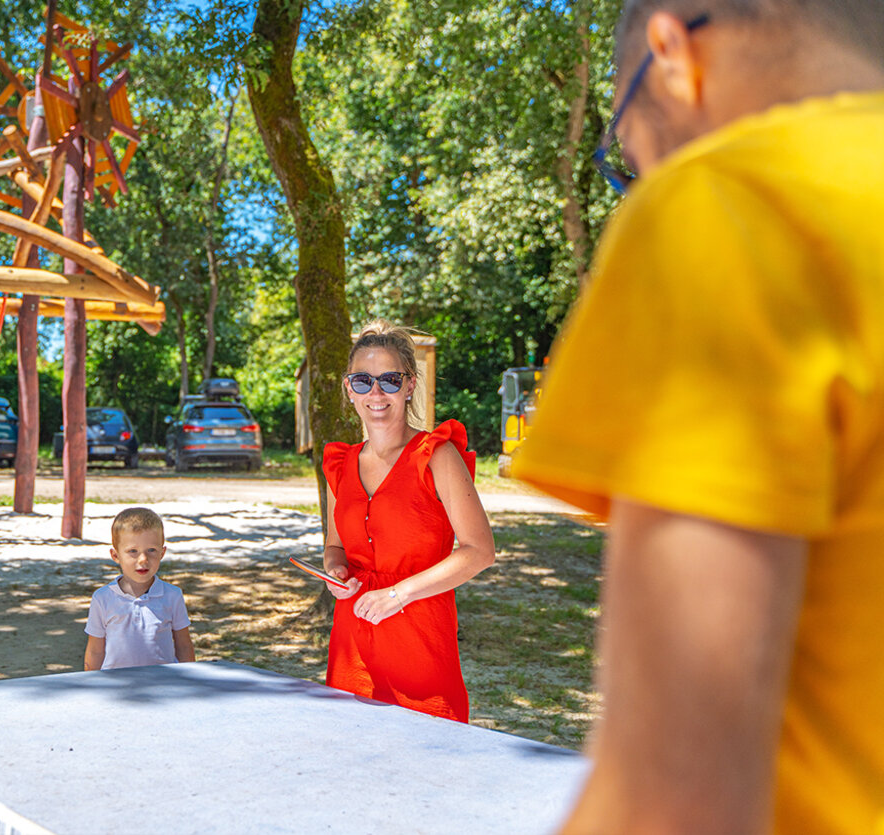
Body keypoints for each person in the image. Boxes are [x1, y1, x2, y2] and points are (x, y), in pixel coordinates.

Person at [511, 2, 884, 832]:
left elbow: (676, 803)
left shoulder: (735, 205)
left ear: (673, 52)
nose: (635, 181)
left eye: (620, 160)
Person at [319, 321, 494, 722]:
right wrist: (334, 572)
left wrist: (397, 595)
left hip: (420, 644)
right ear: (349, 388)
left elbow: (480, 551)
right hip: (352, 647)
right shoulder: (339, 464)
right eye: (362, 381)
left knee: (430, 768)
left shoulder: (436, 455)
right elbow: (335, 545)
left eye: (389, 380)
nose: (375, 393)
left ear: (410, 385)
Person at [84, 507, 195, 671]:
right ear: (116, 556)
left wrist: (190, 681)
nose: (143, 560)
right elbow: (95, 651)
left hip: (163, 683)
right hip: (115, 686)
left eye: (151, 550)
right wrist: (90, 687)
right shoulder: (102, 598)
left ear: (162, 552)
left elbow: (184, 646)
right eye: (133, 551)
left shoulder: (173, 595)